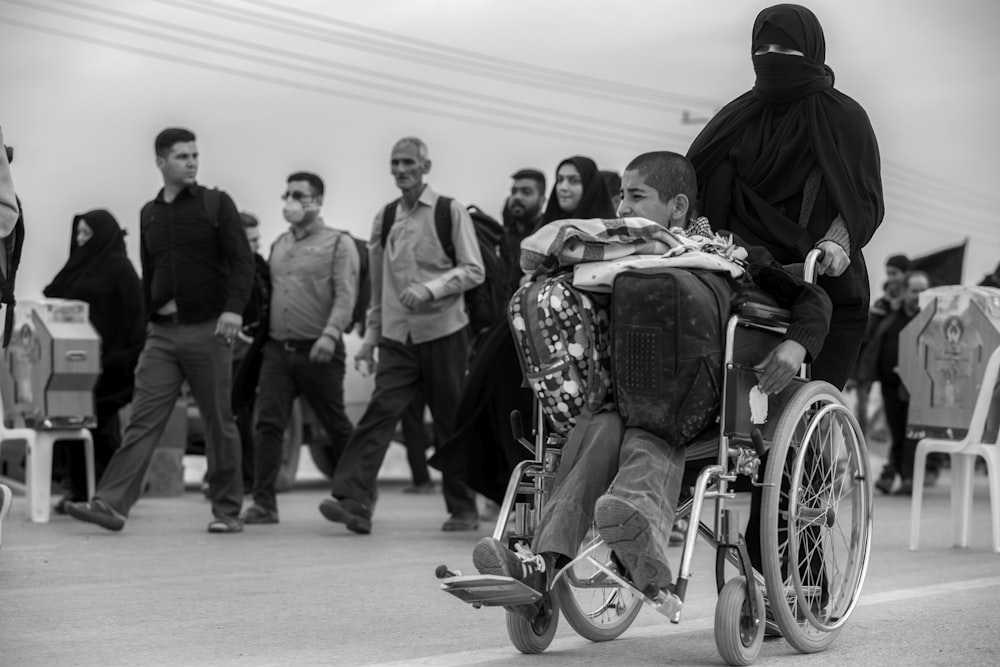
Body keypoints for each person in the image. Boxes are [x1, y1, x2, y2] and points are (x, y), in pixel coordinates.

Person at [472, 151, 832, 606]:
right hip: (627, 396)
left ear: (678, 206)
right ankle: (541, 563)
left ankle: (632, 528)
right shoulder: (616, 255)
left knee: (648, 428)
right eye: (621, 195)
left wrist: (796, 344)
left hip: (702, 401)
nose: (622, 208)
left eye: (636, 196)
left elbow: (811, 297)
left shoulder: (724, 252)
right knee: (600, 427)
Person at [66, 127, 254, 534]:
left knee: (218, 421)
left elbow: (242, 262)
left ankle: (226, 510)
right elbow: (150, 274)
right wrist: (149, 323)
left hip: (209, 329)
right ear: (160, 162)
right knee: (143, 419)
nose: (191, 162)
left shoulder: (215, 204)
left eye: (194, 155)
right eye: (182, 156)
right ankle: (111, 503)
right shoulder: (149, 214)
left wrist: (234, 311)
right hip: (163, 335)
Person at [687, 3, 884, 391]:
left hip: (820, 277)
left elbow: (862, 198)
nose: (772, 61)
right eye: (763, 52)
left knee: (804, 411)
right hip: (740, 280)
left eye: (785, 52)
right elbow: (692, 185)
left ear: (811, 53)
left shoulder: (844, 118)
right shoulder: (736, 118)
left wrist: (836, 242)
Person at [318, 137, 484, 534]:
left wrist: (432, 288)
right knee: (379, 415)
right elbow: (380, 288)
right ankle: (354, 501)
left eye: (409, 162)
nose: (401, 169)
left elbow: (474, 270)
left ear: (426, 166)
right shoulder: (386, 217)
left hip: (444, 331)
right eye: (395, 163)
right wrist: (372, 339)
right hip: (397, 337)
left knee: (449, 421)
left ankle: (463, 509)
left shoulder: (449, 211)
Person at [241, 172, 359, 524]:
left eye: (298, 194)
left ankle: (357, 496)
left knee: (335, 425)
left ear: (317, 201)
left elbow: (345, 295)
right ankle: (263, 503)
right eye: (287, 194)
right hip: (278, 350)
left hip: (319, 348)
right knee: (268, 423)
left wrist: (329, 334)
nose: (289, 201)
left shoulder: (339, 244)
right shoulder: (279, 245)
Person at [43, 210, 145, 510]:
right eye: (79, 233)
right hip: (71, 364)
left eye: (87, 233)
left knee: (103, 431)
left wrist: (120, 359)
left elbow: (134, 319)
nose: (81, 239)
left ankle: (111, 495)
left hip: (108, 365)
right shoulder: (77, 268)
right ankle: (80, 492)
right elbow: (54, 295)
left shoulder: (122, 270)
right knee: (74, 428)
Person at [857, 270, 932, 495]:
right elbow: (873, 343)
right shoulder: (891, 316)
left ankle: (910, 478)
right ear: (906, 292)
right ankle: (900, 474)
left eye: (923, 290)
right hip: (890, 383)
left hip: (919, 387)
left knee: (914, 434)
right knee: (897, 431)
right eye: (914, 290)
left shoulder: (931, 319)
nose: (918, 295)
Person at [230, 210, 271, 491]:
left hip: (256, 350)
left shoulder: (261, 267)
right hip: (232, 352)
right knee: (233, 416)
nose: (256, 245)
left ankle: (249, 478)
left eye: (258, 239)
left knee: (249, 417)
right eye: (251, 240)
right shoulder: (229, 268)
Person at [501, 168, 547, 294]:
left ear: (542, 200)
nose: (517, 197)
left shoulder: (548, 237)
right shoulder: (500, 236)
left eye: (526, 192)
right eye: (514, 191)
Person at [542, 156, 617, 224]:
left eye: (574, 181)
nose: (563, 187)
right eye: (560, 180)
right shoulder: (545, 228)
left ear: (590, 188)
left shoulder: (611, 231)